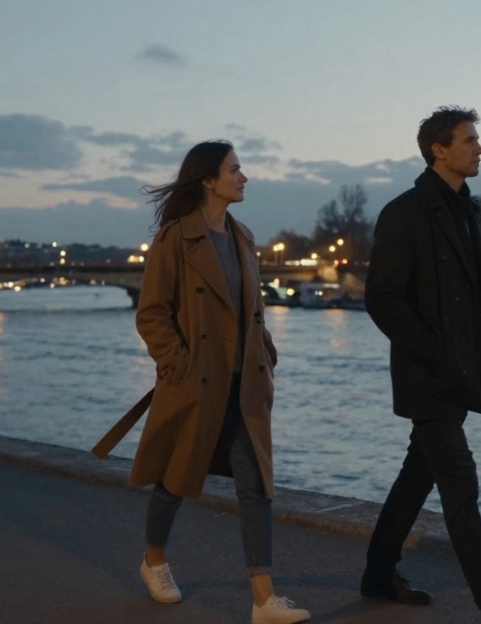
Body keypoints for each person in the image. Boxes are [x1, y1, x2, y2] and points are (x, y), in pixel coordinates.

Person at [92, 141, 309, 624]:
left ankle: (263, 600)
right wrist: (179, 367)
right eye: (235, 169)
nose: (244, 177)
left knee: (257, 487)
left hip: (244, 386)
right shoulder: (176, 240)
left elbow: (251, 310)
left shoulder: (243, 236)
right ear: (208, 180)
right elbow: (151, 315)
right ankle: (153, 561)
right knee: (175, 480)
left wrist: (266, 353)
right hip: (197, 385)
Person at [360, 107, 481, 624]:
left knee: (415, 479)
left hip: (462, 371)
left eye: (477, 139)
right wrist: (435, 351)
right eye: (469, 140)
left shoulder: (466, 209)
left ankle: (378, 575)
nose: (480, 148)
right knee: (460, 486)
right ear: (438, 150)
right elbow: (382, 298)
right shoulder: (405, 213)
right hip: (432, 375)